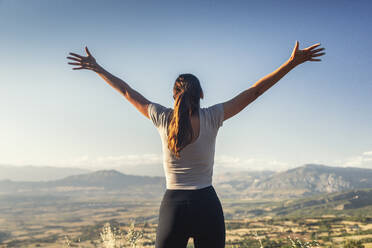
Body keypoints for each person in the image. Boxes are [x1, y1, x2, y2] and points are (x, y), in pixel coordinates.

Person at [67, 41, 325, 248]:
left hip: (173, 206)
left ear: (173, 94)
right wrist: (291, 63)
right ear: (201, 94)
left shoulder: (162, 117)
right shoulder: (213, 116)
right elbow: (255, 91)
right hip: (207, 204)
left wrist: (97, 68)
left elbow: (127, 92)